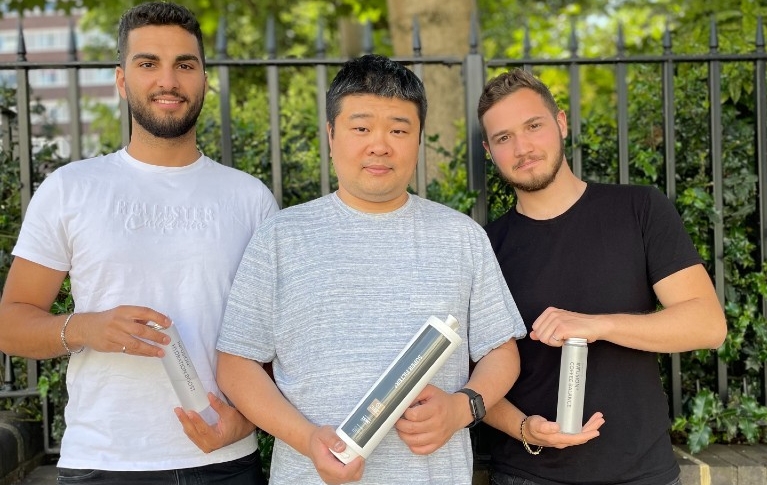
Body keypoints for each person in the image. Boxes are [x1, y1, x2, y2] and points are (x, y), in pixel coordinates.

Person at [215, 53, 527, 485]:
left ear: (418, 138)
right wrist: (307, 439)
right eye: (360, 128)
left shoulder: (461, 236)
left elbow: (501, 351)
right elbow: (236, 365)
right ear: (331, 134)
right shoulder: (281, 238)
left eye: (399, 130)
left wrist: (462, 407)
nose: (379, 145)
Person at [0, 2, 278, 483]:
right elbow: (10, 323)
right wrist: (84, 328)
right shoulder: (71, 188)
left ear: (204, 81)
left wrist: (247, 419)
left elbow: (281, 339)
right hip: (103, 462)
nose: (167, 80)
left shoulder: (249, 198)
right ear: (122, 80)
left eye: (185, 65)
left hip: (225, 462)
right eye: (148, 63)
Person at [478, 67, 727, 485]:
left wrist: (599, 324)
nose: (522, 147)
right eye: (504, 138)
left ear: (560, 123)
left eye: (533, 126)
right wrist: (524, 428)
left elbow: (708, 325)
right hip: (528, 474)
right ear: (489, 151)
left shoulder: (638, 209)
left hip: (643, 474)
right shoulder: (484, 246)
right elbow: (474, 375)